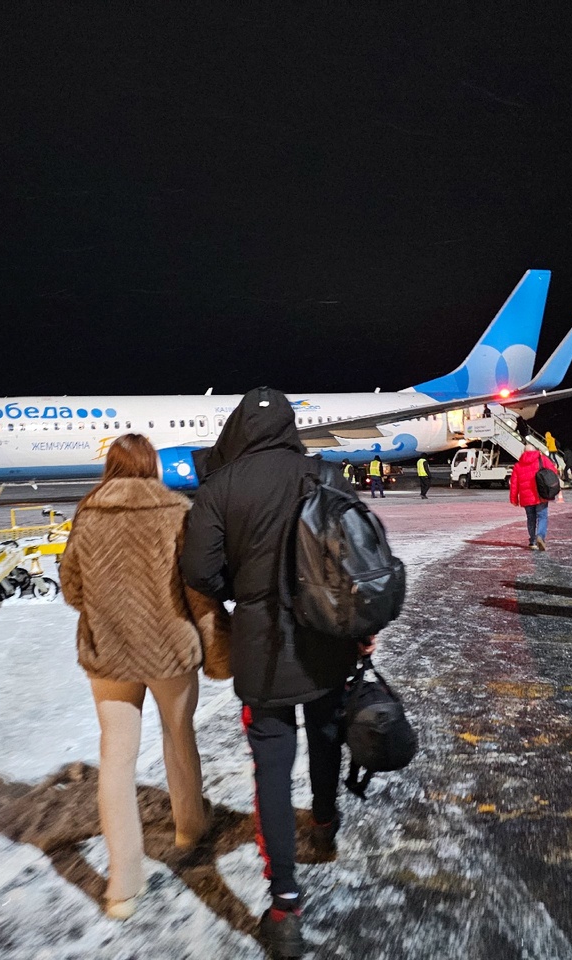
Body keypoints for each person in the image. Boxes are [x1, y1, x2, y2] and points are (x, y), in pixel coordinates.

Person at [182, 387, 376, 958]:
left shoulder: (220, 487)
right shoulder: (325, 473)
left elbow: (199, 570)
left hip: (260, 645)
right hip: (326, 637)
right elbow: (357, 554)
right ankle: (324, 818)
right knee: (324, 731)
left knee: (270, 762)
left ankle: (284, 905)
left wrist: (244, 594)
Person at [60, 434, 229, 920]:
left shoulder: (88, 512)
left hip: (108, 654)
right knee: (179, 735)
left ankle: (122, 887)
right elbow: (196, 585)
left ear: (110, 467)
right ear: (152, 465)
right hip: (169, 650)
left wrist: (109, 609)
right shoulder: (176, 509)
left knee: (115, 760)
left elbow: (72, 587)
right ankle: (190, 829)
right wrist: (211, 637)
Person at [510, 446, 558, 550]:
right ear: (535, 450)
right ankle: (540, 536)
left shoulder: (518, 465)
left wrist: (514, 498)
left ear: (524, 452)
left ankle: (532, 541)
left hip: (526, 498)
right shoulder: (542, 459)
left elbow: (514, 483)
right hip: (541, 495)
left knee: (531, 519)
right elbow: (553, 472)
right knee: (542, 517)